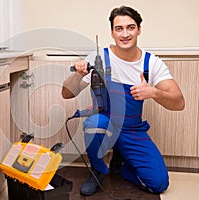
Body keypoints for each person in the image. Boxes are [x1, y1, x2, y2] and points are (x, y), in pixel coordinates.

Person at [62, 6, 185, 196]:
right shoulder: (99, 57)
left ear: (139, 30)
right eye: (119, 29)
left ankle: (122, 164)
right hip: (105, 124)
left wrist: (153, 92)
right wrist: (78, 76)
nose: (125, 34)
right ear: (112, 32)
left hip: (132, 130)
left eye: (131, 27)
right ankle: (98, 170)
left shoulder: (151, 63)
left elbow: (179, 102)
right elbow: (67, 94)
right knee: (94, 122)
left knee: (159, 184)